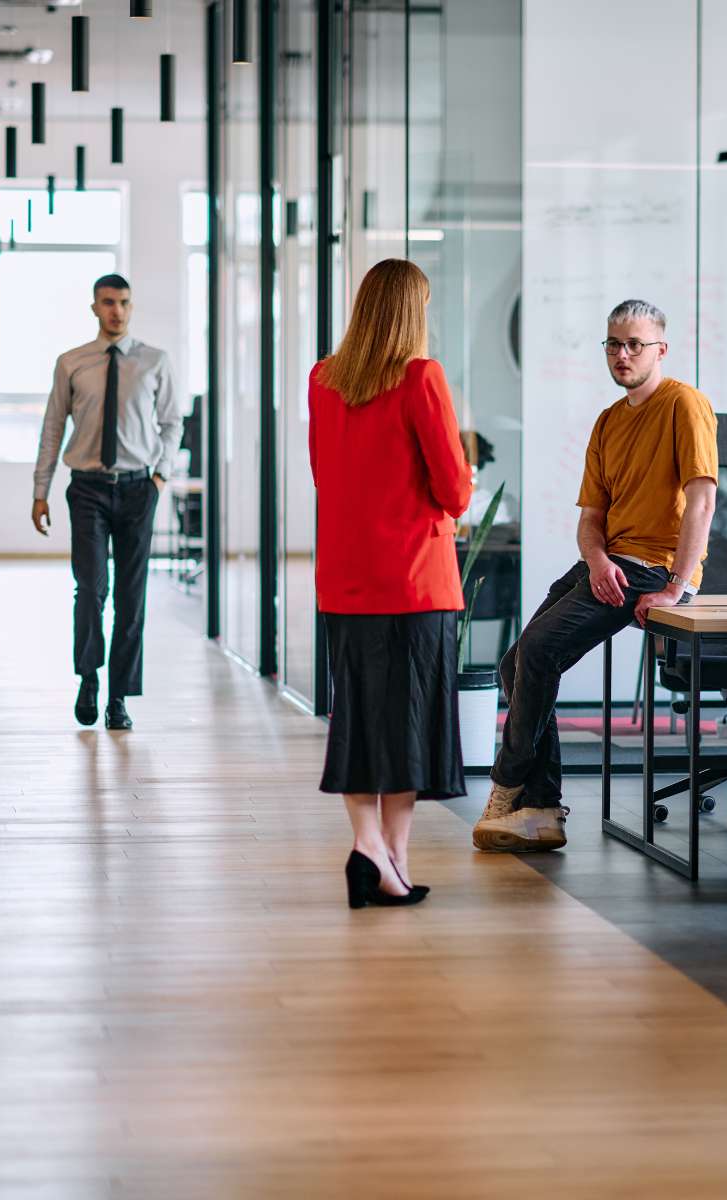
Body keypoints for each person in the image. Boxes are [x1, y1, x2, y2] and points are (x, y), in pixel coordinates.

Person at [471, 300, 718, 853]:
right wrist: (599, 559)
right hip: (613, 564)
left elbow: (703, 502)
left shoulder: (685, 404)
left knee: (537, 651)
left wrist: (676, 586)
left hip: (656, 569)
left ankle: (510, 785)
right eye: (613, 344)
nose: (622, 354)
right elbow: (590, 520)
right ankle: (542, 807)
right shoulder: (609, 420)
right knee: (517, 661)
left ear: (661, 348)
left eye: (634, 344)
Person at [308, 258, 472, 908]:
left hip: (344, 582)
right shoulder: (421, 377)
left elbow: (324, 475)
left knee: (359, 719)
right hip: (415, 584)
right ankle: (383, 854)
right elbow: (455, 490)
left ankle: (379, 852)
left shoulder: (324, 378)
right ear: (412, 312)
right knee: (408, 724)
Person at [30, 273, 182, 731]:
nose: (116, 310)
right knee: (92, 590)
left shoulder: (155, 361)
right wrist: (40, 490)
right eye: (108, 302)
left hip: (139, 489)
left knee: (132, 598)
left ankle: (119, 697)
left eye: (124, 303)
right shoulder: (71, 363)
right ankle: (88, 677)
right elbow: (53, 429)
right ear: (94, 307)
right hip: (89, 489)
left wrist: (160, 477)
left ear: (132, 307)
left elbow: (172, 424)